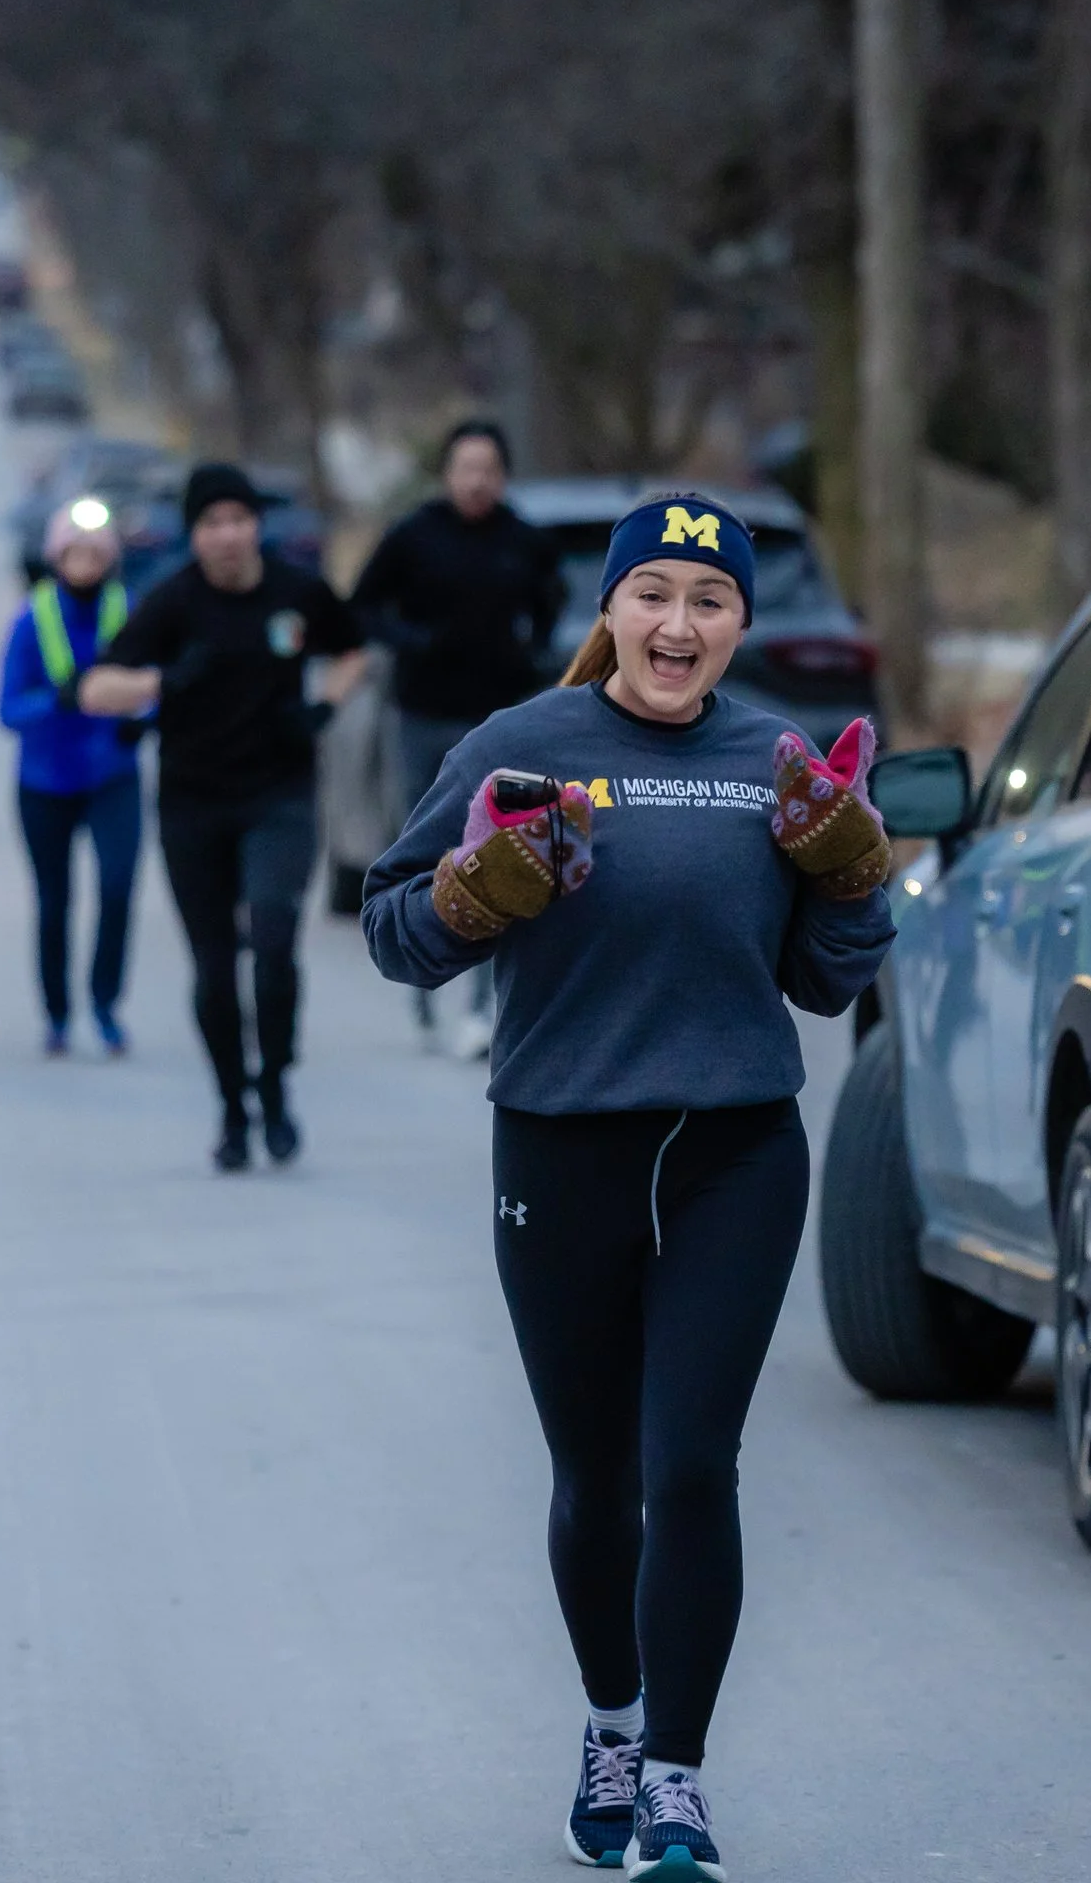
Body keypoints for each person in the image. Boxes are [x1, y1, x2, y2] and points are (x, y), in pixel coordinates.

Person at [360, 494, 895, 1878]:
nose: (678, 623)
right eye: (651, 594)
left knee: (692, 1465)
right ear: (610, 612)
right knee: (596, 1476)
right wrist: (477, 891)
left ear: (738, 626)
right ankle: (611, 1721)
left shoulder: (775, 760)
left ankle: (676, 1781)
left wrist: (849, 875)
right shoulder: (521, 746)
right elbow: (392, 932)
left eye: (708, 601)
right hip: (561, 1149)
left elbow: (829, 987)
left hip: (735, 1153)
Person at [80, 461, 366, 1170]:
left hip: (279, 794)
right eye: (212, 523)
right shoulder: (171, 601)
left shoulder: (295, 592)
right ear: (195, 533)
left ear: (256, 526)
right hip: (192, 802)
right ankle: (232, 1106)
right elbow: (94, 689)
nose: (228, 535)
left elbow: (353, 647)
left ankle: (274, 1087)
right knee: (213, 969)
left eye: (239, 520)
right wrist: (159, 681)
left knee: (272, 944)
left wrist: (323, 707)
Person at [350, 417, 562, 1058]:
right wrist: (412, 643)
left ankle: (480, 1000)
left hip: (499, 718)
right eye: (466, 469)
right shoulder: (414, 536)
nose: (478, 481)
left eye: (489, 470)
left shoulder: (524, 540)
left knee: (494, 849)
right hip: (423, 712)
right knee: (428, 840)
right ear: (447, 474)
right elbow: (363, 605)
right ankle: (420, 983)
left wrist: (530, 649)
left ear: (503, 477)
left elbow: (552, 600)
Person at [0, 498, 144, 1057]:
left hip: (112, 778)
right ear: (57, 555)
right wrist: (54, 701)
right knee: (54, 900)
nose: (85, 562)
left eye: (96, 552)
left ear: (109, 558)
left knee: (116, 889)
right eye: (74, 551)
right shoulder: (31, 619)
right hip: (44, 781)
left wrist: (141, 722)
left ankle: (105, 1003)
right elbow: (7, 710)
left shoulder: (127, 611)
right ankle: (57, 1012)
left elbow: (152, 681)